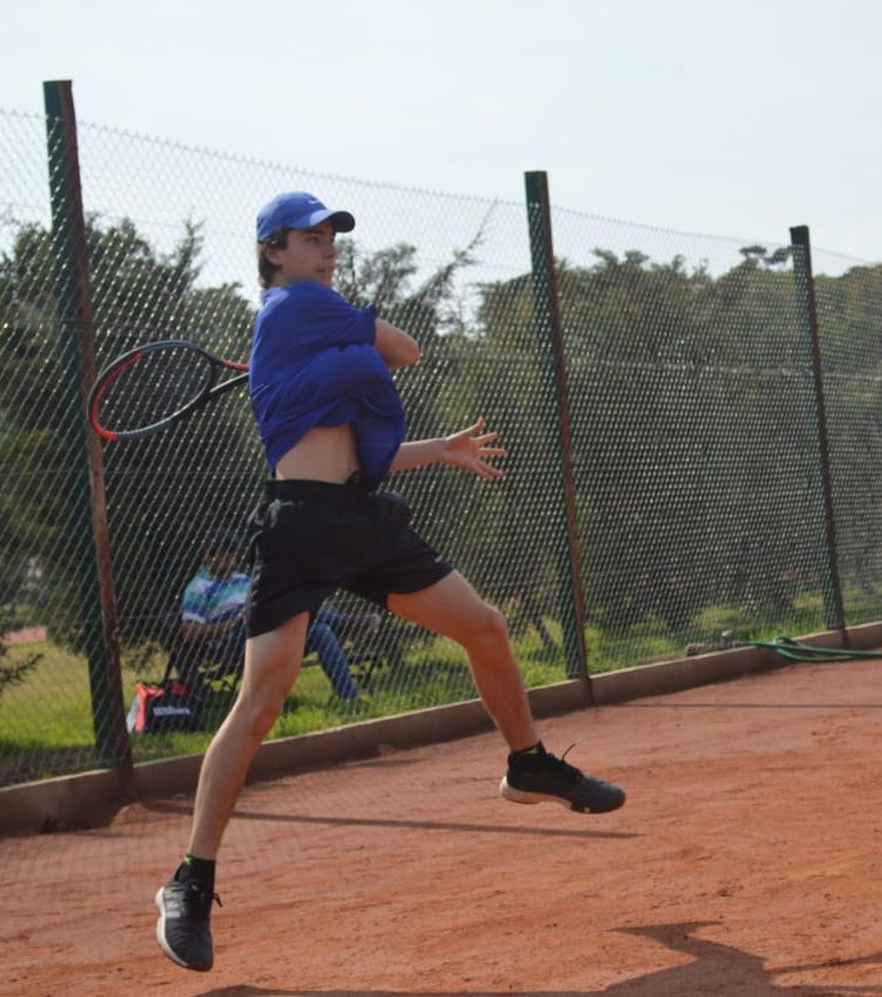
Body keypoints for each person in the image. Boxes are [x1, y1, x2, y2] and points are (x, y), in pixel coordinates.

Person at [155, 192, 625, 972]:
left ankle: (528, 762)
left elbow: (354, 451)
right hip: (301, 527)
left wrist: (436, 447)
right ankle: (189, 883)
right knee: (263, 698)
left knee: (484, 626)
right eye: (310, 239)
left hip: (360, 517)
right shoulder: (295, 307)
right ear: (273, 252)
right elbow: (404, 346)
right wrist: (354, 326)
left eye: (332, 238)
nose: (327, 249)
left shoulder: (305, 335)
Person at [179, 529, 360, 702]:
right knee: (276, 605)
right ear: (208, 556)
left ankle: (349, 698)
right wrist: (233, 623)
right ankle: (343, 623)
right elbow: (190, 633)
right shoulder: (198, 587)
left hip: (268, 628)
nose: (227, 559)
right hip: (236, 643)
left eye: (231, 554)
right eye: (219, 555)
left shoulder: (243, 579)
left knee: (320, 632)